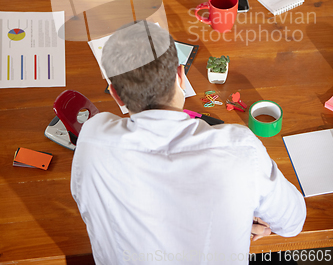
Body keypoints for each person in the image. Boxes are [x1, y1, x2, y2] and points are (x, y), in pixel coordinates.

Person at [71, 21, 306, 265]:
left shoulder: (92, 140)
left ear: (115, 94)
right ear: (181, 76)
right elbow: (293, 222)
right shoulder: (240, 147)